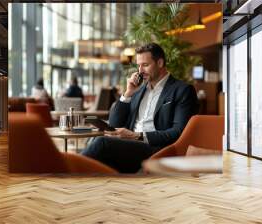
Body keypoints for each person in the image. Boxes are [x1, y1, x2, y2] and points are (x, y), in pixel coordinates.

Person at [81, 43, 199, 173]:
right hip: (131, 145)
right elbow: (115, 123)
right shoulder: (138, 90)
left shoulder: (182, 90)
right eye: (138, 65)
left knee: (101, 143)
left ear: (160, 63)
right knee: (95, 143)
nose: (140, 71)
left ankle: (69, 169)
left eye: (145, 65)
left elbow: (178, 132)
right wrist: (127, 93)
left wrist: (137, 136)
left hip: (157, 148)